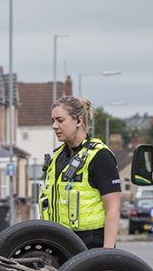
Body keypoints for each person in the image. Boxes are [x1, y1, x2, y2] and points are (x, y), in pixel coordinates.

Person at [38, 95, 121, 249]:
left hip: (90, 247)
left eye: (60, 120)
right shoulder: (57, 158)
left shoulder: (100, 156)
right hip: (60, 245)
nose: (54, 126)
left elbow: (113, 209)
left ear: (79, 121)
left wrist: (106, 255)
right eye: (53, 121)